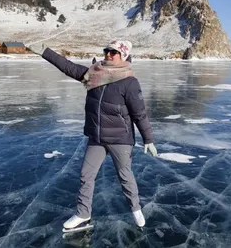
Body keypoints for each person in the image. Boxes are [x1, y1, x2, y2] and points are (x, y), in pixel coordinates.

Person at [29, 40, 157, 230]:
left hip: (120, 139)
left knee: (125, 176)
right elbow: (67, 66)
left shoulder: (129, 82)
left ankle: (136, 209)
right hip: (96, 138)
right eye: (107, 51)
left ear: (123, 55)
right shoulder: (93, 74)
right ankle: (83, 214)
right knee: (85, 175)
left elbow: (139, 113)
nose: (108, 55)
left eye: (113, 52)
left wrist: (148, 139)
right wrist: (45, 52)